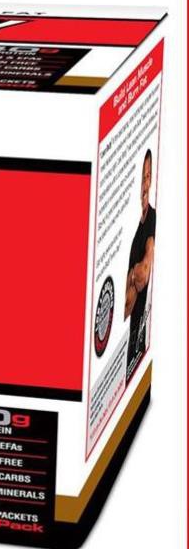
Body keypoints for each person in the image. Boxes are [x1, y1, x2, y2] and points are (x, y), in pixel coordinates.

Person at [124, 149, 156, 379]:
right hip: (129, 337)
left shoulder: (152, 218)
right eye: (142, 177)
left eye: (148, 176)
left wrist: (132, 278)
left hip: (138, 338)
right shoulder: (133, 227)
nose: (145, 183)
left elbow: (142, 274)